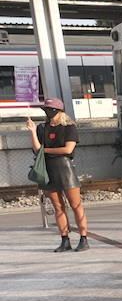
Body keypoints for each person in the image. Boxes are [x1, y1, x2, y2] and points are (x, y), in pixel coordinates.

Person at [26, 98, 89, 253]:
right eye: (46, 109)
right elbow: (36, 149)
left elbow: (67, 150)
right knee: (58, 207)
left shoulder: (69, 127)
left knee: (75, 205)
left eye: (50, 109)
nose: (48, 112)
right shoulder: (42, 128)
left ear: (59, 110)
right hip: (48, 169)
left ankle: (83, 238)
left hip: (64, 168)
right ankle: (64, 239)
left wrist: (45, 151)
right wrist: (33, 132)